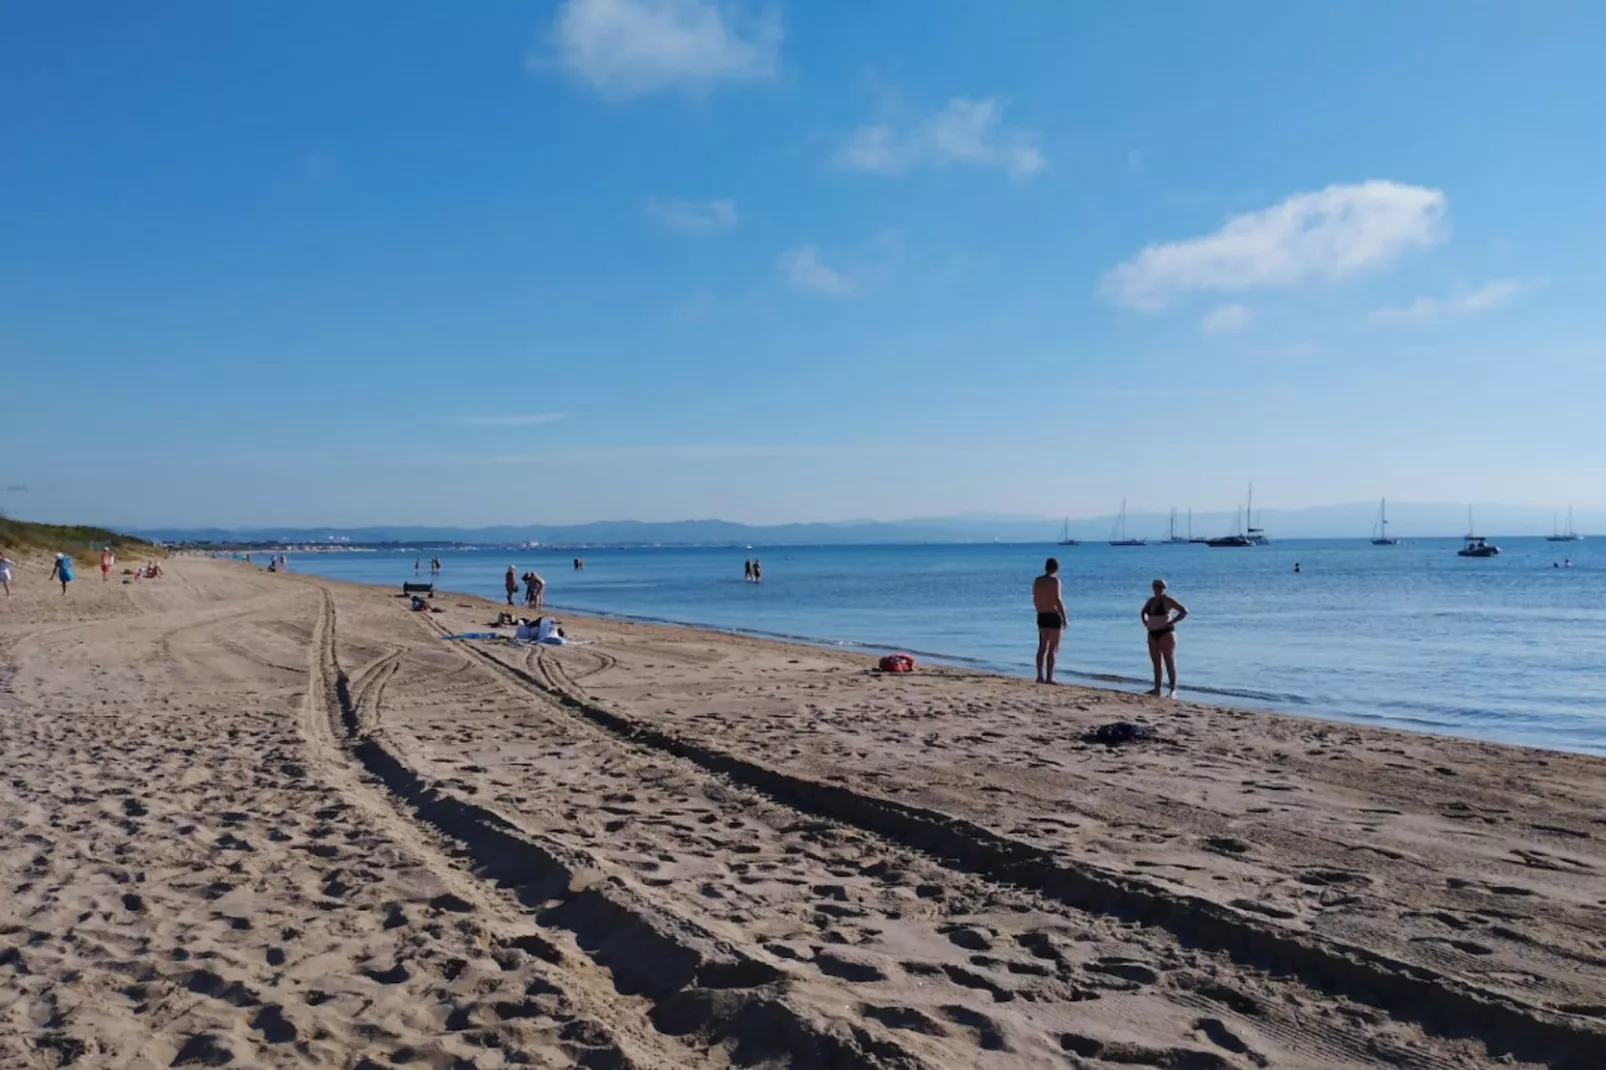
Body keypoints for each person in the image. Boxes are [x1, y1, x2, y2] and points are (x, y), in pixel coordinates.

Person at [1141, 578, 1189, 698]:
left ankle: (1173, 690)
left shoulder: (1168, 600)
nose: (1160, 589)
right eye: (1158, 587)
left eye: (1162, 587)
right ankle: (1157, 689)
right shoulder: (1151, 601)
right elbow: (1143, 612)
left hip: (1166, 633)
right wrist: (1145, 622)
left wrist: (1172, 622)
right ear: (1153, 587)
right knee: (1156, 662)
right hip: (1152, 633)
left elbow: (1184, 611)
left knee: (1169, 661)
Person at [1032, 558, 1068, 684]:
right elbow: (1057, 600)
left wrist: (1039, 608)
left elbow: (1035, 598)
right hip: (1053, 615)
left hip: (1041, 615)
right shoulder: (1055, 581)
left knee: (1042, 647)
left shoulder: (1038, 581)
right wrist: (1064, 617)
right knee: (1053, 648)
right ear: (1056, 568)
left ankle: (1039, 676)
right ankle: (1049, 677)